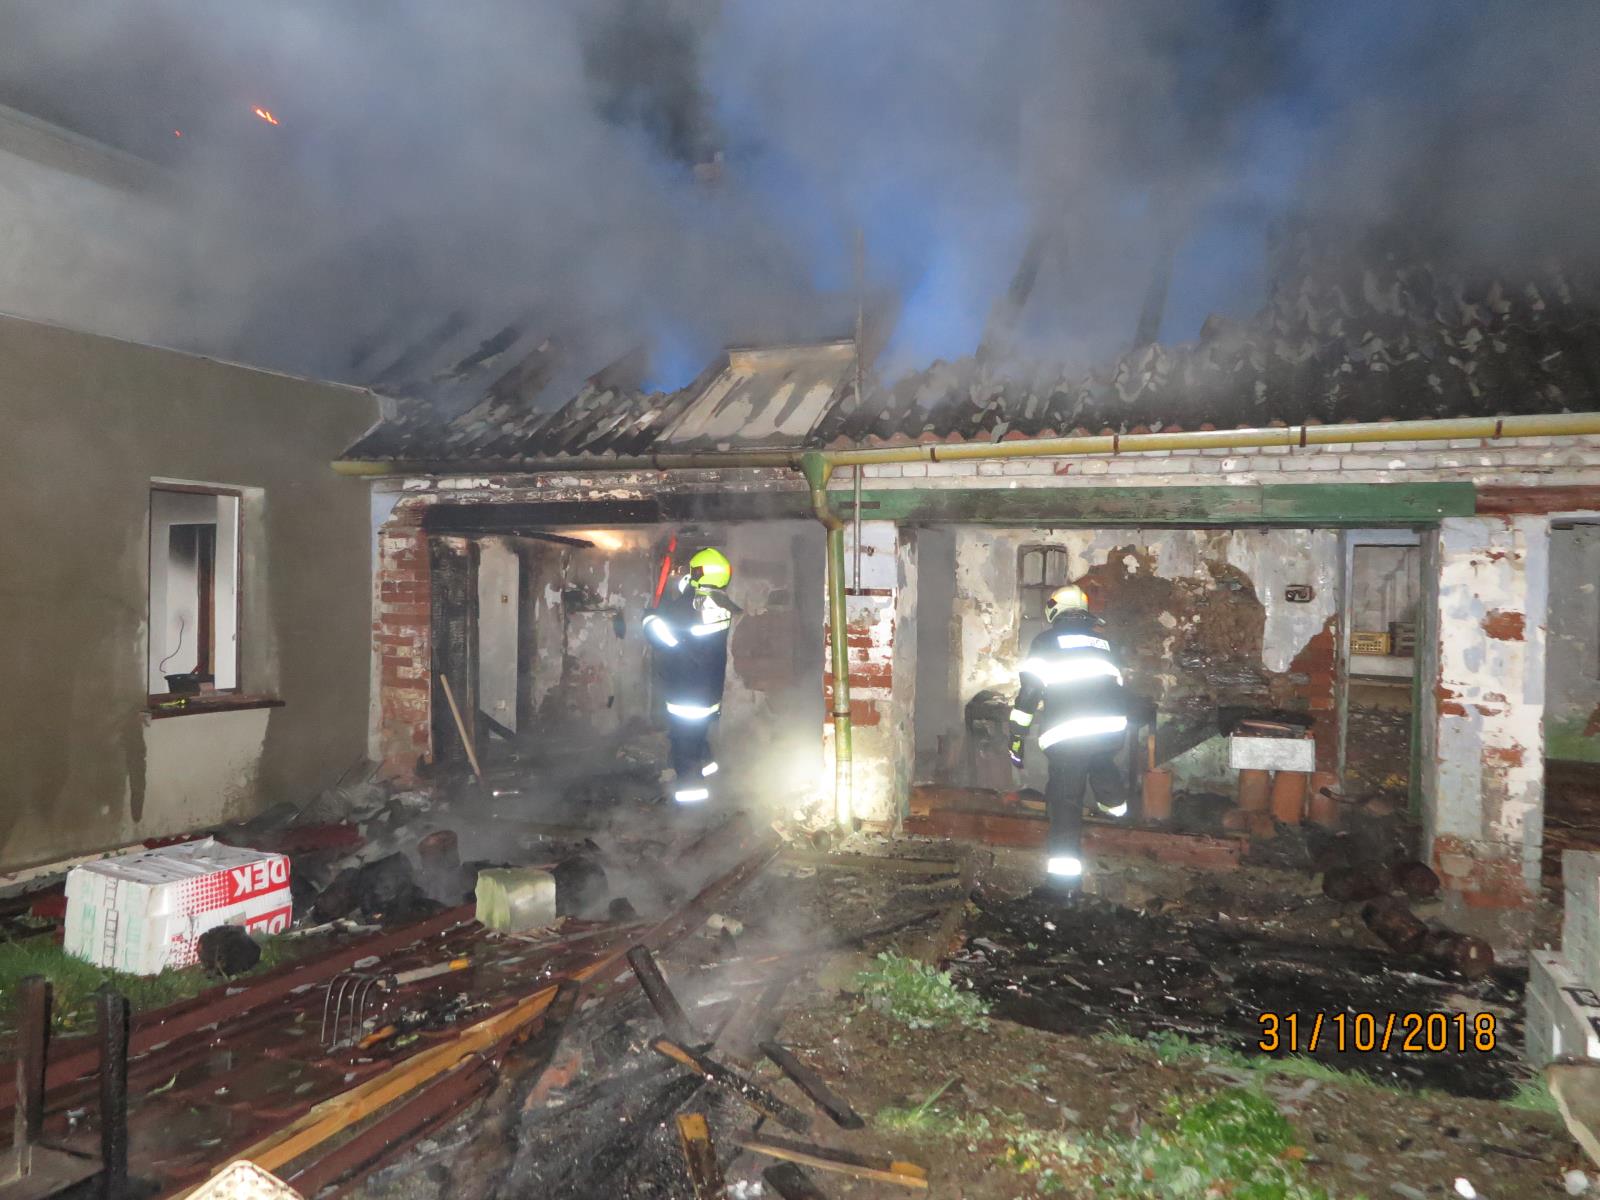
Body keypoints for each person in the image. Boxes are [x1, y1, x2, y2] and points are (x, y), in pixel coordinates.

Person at [1008, 583, 1129, 892]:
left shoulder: (1046, 642)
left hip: (1069, 736)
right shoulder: (1105, 643)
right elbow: (1117, 686)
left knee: (1065, 801)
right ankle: (1119, 819)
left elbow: (1030, 693)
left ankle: (1063, 884)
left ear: (1054, 611)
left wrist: (1016, 736)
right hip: (1110, 731)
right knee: (1102, 765)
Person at [641, 547, 737, 804]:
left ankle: (691, 803)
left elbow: (664, 637)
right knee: (697, 737)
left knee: (684, 744)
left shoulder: (690, 606)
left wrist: (649, 619)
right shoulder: (721, 603)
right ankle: (709, 773)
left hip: (687, 691)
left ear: (698, 573)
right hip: (709, 690)